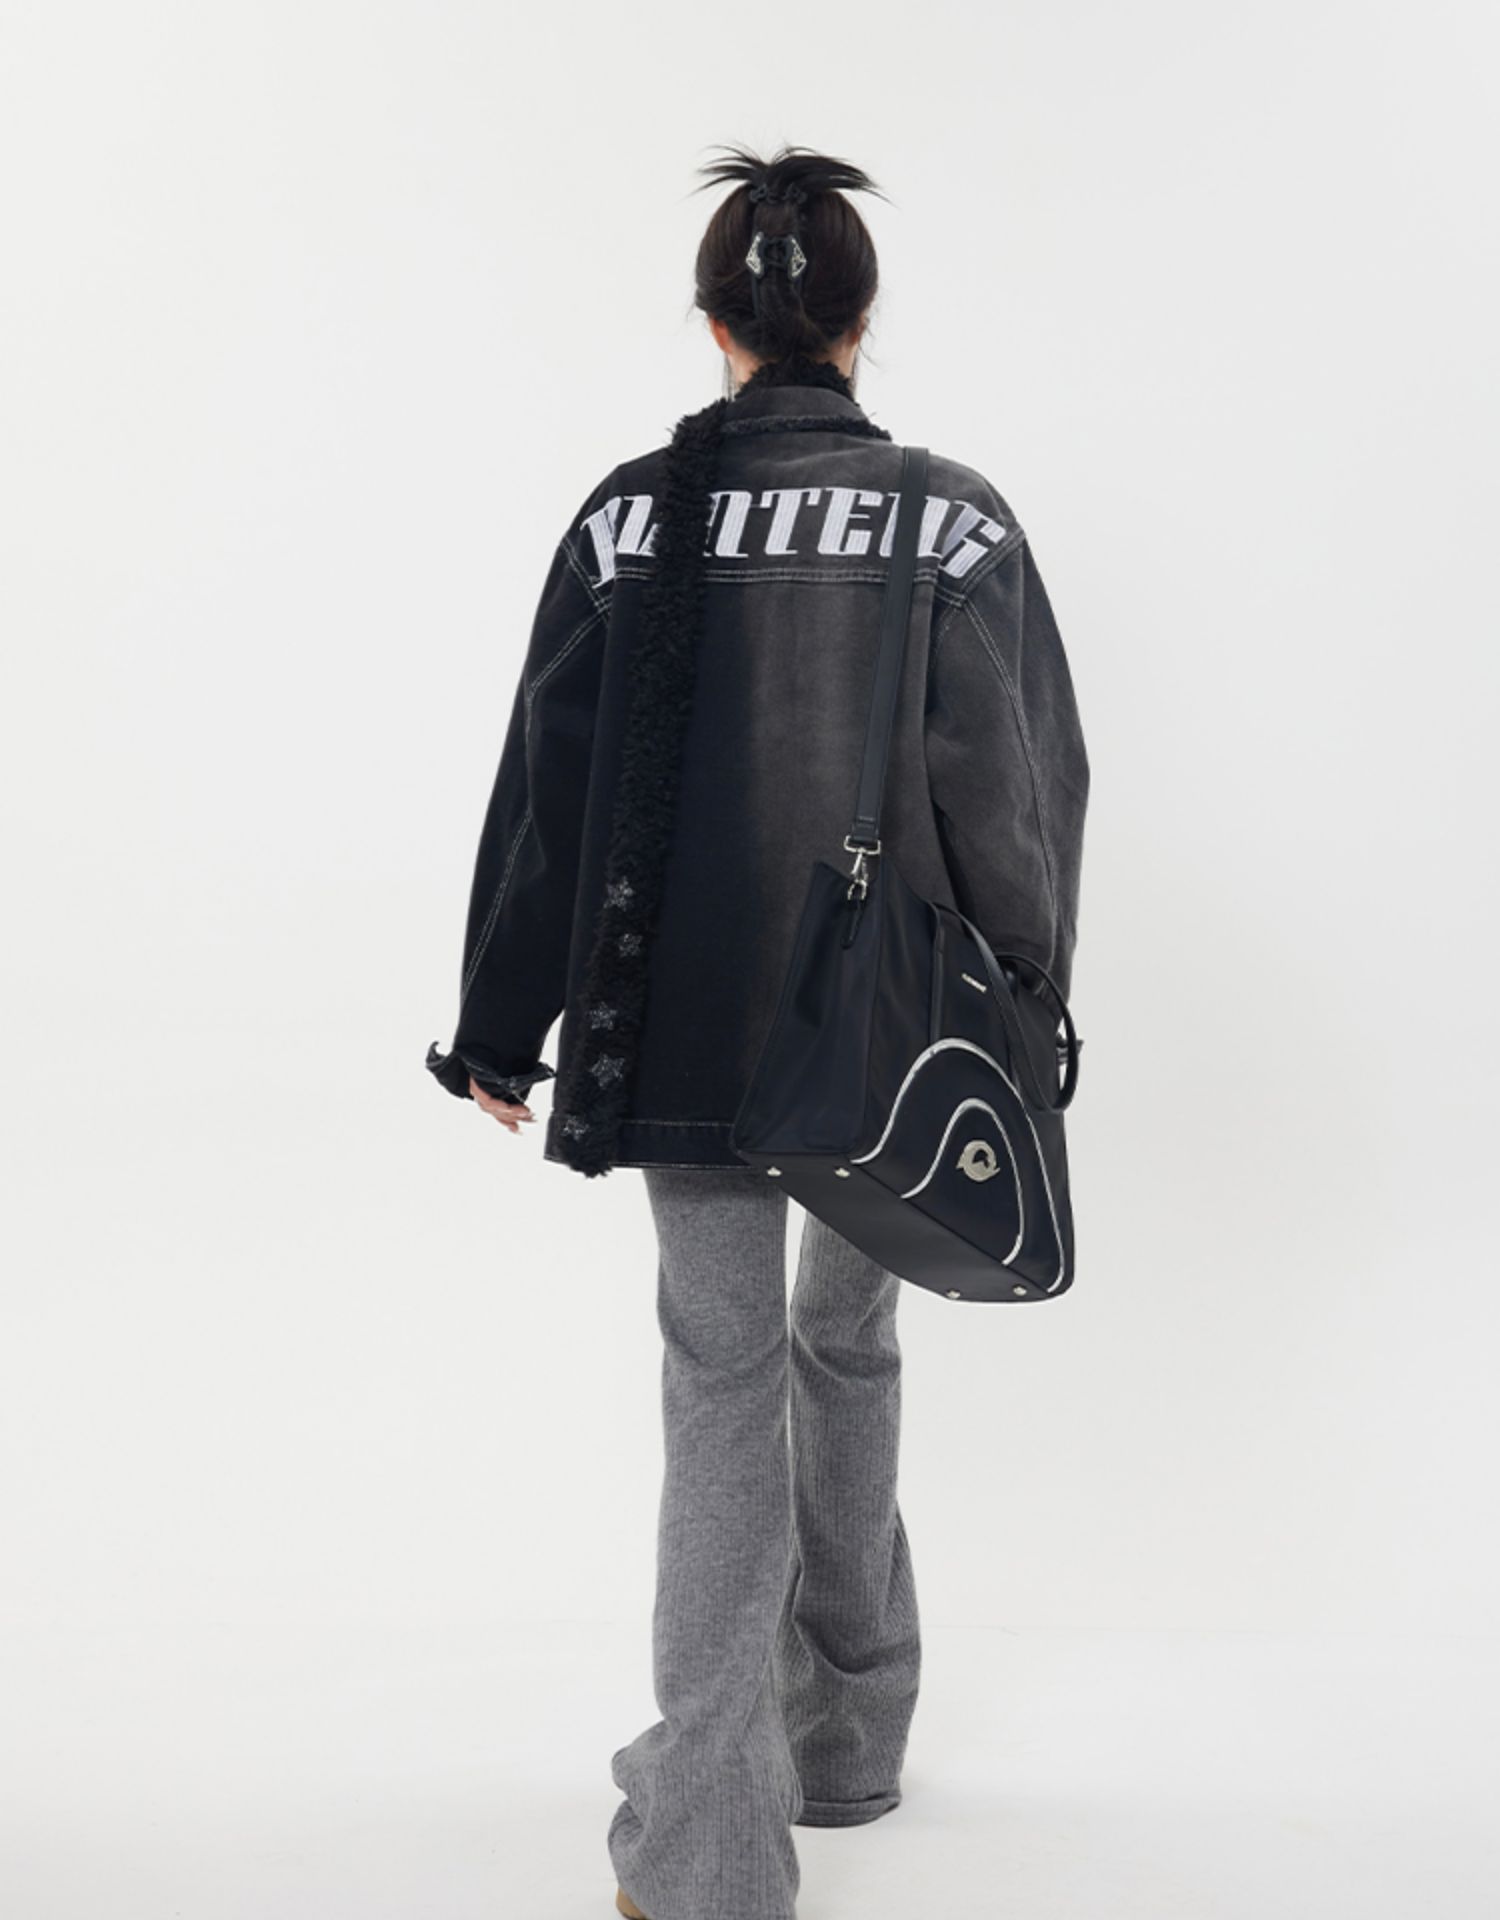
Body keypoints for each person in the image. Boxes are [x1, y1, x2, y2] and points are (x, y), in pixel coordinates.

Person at [426, 142, 1089, 1920]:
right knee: (848, 1344)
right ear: (859, 323)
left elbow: (551, 787)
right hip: (894, 1035)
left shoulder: (630, 517)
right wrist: (1028, 1008)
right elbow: (1020, 790)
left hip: (687, 1021)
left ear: (715, 324)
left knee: (720, 1385)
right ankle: (848, 1739)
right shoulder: (951, 519)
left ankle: (711, 1852)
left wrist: (499, 1023)